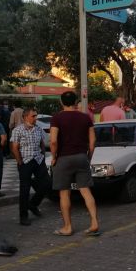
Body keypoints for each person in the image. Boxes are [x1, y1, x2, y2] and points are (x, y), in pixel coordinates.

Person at [50, 91, 99, 236]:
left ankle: (68, 227)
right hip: (81, 157)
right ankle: (94, 222)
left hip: (64, 158)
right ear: (75, 102)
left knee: (64, 194)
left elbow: (53, 141)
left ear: (61, 102)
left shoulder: (57, 118)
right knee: (85, 191)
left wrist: (54, 157)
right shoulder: (85, 118)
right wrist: (88, 157)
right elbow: (93, 142)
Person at [10, 107, 51, 226]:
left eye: (36, 115)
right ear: (25, 117)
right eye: (33, 116)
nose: (35, 118)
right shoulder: (18, 130)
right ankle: (23, 216)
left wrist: (42, 155)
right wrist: (19, 161)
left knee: (47, 184)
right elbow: (14, 147)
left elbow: (42, 144)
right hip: (25, 161)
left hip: (38, 160)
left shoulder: (38, 129)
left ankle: (32, 204)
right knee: (25, 189)